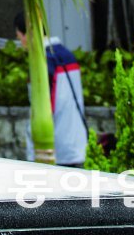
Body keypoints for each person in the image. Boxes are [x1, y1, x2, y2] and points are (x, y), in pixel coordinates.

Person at [15, 11, 89, 165]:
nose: (21, 43)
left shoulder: (44, 61)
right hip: (75, 142)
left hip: (54, 148)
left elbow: (44, 105)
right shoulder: (67, 55)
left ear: (27, 33)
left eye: (19, 37)